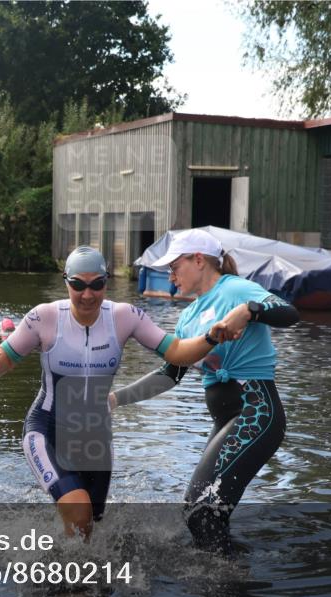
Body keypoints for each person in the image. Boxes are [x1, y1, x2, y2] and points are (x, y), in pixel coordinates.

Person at [0, 246, 250, 539]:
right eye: (78, 285)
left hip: (95, 436)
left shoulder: (125, 317)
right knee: (79, 512)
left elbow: (177, 353)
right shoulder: (44, 317)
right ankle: (65, 581)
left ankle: (76, 577)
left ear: (106, 281)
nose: (88, 294)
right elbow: (5, 358)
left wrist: (212, 336)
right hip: (47, 429)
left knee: (92, 529)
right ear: (67, 282)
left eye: (96, 284)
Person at [109, 228, 300, 554]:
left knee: (200, 509)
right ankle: (233, 571)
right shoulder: (188, 318)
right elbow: (170, 374)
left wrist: (248, 311)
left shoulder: (236, 289)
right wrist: (115, 399)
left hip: (255, 413)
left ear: (199, 260)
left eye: (174, 266)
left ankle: (227, 584)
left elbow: (288, 313)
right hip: (227, 419)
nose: (170, 275)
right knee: (204, 514)